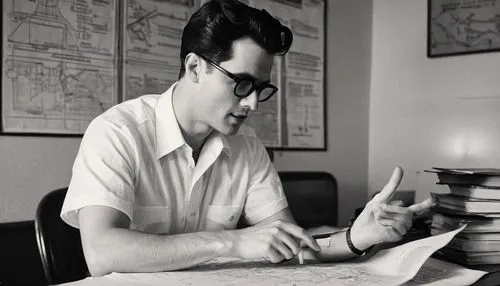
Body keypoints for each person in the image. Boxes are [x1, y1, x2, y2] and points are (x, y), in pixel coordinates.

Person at [61, 0, 432, 277]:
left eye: (260, 88)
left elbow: (288, 243)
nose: (253, 102)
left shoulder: (248, 147)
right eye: (242, 84)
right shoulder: (117, 132)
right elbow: (102, 253)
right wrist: (233, 241)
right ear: (195, 67)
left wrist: (357, 236)